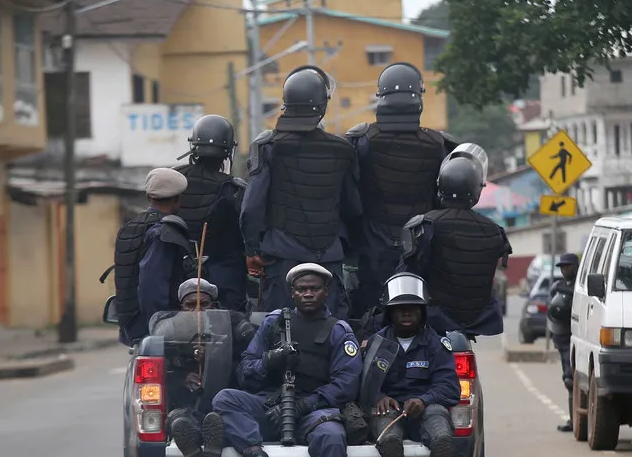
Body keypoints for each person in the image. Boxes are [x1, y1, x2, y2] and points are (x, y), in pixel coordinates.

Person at [211, 263, 361, 457]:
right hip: (272, 403)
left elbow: (346, 383)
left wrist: (308, 403)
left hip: (314, 409)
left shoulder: (338, 331)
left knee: (332, 437)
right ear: (292, 292)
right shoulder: (273, 324)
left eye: (314, 289)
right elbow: (246, 371)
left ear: (326, 292)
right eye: (301, 289)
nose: (308, 294)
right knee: (225, 399)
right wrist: (270, 361)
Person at [239, 65, 362, 319]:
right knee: (335, 334)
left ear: (286, 103)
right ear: (322, 105)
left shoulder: (268, 146)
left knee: (276, 333)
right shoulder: (343, 150)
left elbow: (251, 207)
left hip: (282, 258)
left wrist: (252, 251)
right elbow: (354, 209)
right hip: (329, 257)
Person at [345, 62, 457, 318]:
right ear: (418, 97)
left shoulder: (359, 140)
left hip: (370, 251)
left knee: (365, 322)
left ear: (381, 96)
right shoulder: (441, 144)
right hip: (421, 251)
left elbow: (347, 198)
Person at [398, 143, 512, 338]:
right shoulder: (495, 231)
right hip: (480, 321)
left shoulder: (424, 225)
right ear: (476, 189)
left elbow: (405, 275)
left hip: (434, 320)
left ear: (441, 185)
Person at [370, 273, 459, 457]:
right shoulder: (376, 343)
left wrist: (424, 400)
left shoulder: (435, 344)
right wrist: (379, 396)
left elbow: (450, 386)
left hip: (425, 407)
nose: (407, 312)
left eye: (413, 307)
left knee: (439, 423)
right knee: (385, 425)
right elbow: (361, 385)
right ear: (390, 312)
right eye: (400, 308)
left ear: (422, 312)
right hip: (391, 410)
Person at [160, 277, 257, 457]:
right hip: (188, 402)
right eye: (190, 305)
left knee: (218, 417)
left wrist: (213, 356)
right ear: (181, 307)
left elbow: (249, 361)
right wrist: (181, 378)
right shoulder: (170, 331)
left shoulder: (232, 323)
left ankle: (212, 439)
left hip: (224, 399)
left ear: (214, 305)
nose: (197, 310)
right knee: (182, 418)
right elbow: (162, 373)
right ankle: (193, 445)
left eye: (204, 304)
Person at [108, 167, 195, 346]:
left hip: (131, 325)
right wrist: (162, 327)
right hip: (155, 330)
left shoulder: (130, 227)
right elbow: (152, 285)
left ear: (149, 197)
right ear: (178, 199)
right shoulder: (164, 233)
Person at [174, 114, 249, 312]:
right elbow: (247, 232)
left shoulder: (174, 178)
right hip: (224, 276)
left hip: (177, 274)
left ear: (193, 145)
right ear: (228, 151)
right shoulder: (234, 188)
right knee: (233, 326)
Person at [547, 254, 579, 432]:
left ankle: (577, 420)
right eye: (562, 267)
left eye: (568, 266)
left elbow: (577, 296)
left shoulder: (580, 285)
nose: (565, 270)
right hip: (561, 336)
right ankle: (573, 420)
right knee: (568, 380)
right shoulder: (558, 286)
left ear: (575, 266)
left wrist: (561, 290)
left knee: (571, 379)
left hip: (574, 336)